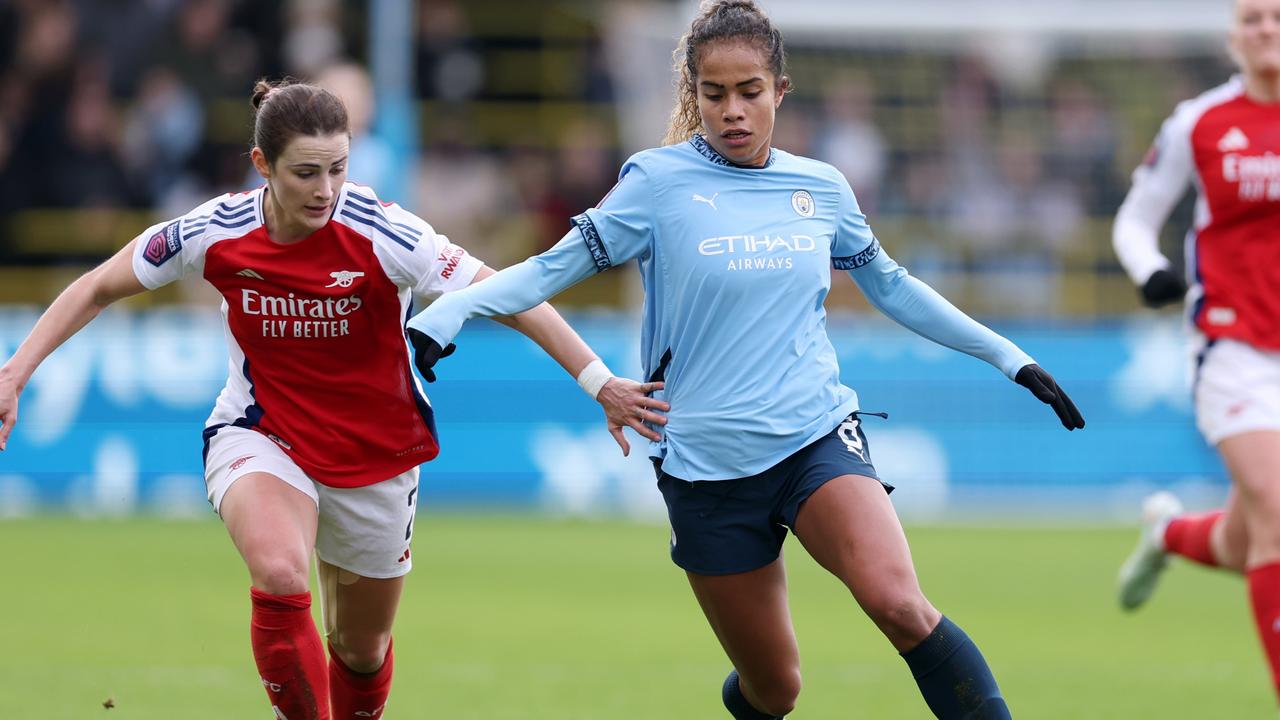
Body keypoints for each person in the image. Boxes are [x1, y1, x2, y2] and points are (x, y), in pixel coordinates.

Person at [406, 2, 1085, 717]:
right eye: (715, 94)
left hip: (813, 437)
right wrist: (449, 311)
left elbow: (894, 287)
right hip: (705, 469)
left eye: (749, 91)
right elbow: (549, 269)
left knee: (900, 604)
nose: (732, 111)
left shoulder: (820, 188)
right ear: (693, 95)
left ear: (780, 90)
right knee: (775, 689)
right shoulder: (655, 185)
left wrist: (1010, 358)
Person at [0, 79, 665, 720]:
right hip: (262, 432)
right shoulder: (215, 230)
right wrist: (14, 373)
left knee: (360, 649)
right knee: (281, 571)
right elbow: (97, 286)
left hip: (376, 452)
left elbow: (505, 293)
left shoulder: (387, 234)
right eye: (306, 173)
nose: (326, 191)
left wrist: (598, 381)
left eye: (338, 169)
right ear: (263, 165)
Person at [1113, 0, 1280, 702]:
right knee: (1278, 508)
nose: (1266, 30)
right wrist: (1150, 271)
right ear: (1231, 37)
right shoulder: (1200, 121)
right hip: (1232, 343)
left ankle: (1167, 534)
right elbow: (1136, 218)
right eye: (1252, 19)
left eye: (1277, 17)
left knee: (1253, 536)